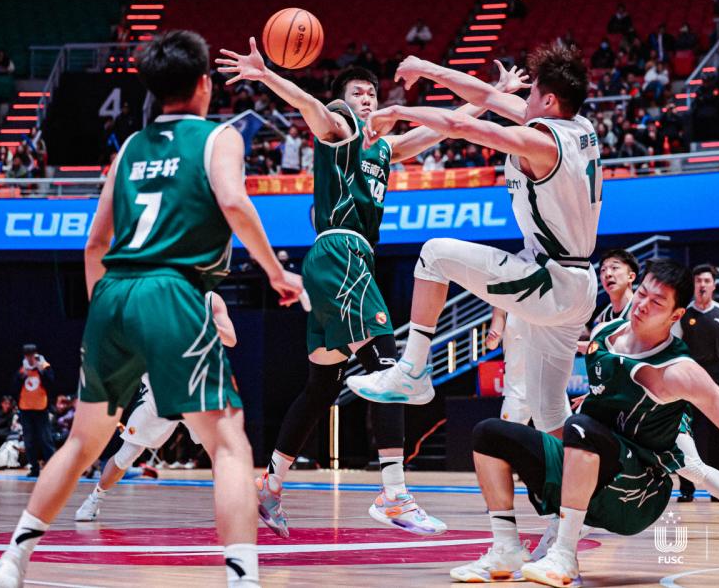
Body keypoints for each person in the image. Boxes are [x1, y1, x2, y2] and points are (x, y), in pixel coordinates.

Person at [0, 30, 303, 588]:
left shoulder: (129, 147)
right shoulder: (217, 138)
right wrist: (276, 273)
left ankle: (12, 561)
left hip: (113, 295)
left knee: (83, 440)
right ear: (205, 84)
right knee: (229, 442)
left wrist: (104, 311)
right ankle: (242, 578)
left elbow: (94, 243)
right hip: (171, 289)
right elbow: (233, 201)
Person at [216, 38, 529, 539]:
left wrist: (495, 93)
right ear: (344, 102)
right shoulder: (336, 130)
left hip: (339, 261)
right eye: (358, 92)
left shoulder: (386, 148)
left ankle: (270, 486)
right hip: (341, 253)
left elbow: (443, 127)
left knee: (320, 387)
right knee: (389, 368)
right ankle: (395, 494)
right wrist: (267, 75)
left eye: (372, 94)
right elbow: (309, 105)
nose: (367, 99)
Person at [448, 260, 719, 585]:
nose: (642, 305)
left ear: (675, 315)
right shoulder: (603, 335)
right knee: (490, 434)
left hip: (639, 491)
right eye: (642, 294)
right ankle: (507, 548)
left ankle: (565, 555)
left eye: (657, 302)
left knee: (585, 430)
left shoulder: (680, 372)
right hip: (594, 454)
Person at [347, 44, 600, 452]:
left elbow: (460, 126)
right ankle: (575, 509)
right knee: (551, 413)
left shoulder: (542, 142)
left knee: (434, 254)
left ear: (549, 100)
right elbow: (484, 97)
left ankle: (411, 370)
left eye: (531, 93)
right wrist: (425, 67)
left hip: (550, 279)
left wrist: (398, 113)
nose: (524, 100)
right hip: (579, 284)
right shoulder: (577, 125)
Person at [74, 296, 232, 522]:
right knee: (128, 454)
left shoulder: (210, 300)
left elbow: (231, 338)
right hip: (159, 393)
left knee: (219, 451)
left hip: (196, 392)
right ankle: (94, 499)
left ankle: (225, 506)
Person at [671, 264, 719, 502]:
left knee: (717, 435)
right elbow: (674, 349)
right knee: (686, 436)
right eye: (698, 280)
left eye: (706, 281)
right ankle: (686, 489)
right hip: (689, 379)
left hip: (716, 377)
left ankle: (718, 491)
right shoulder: (683, 315)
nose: (702, 285)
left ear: (714, 285)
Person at [14, 344, 55, 477]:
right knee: (29, 440)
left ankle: (52, 468)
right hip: (26, 409)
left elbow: (51, 383)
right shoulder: (23, 368)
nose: (29, 358)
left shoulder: (44, 366)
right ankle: (34, 468)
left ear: (35, 354)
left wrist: (40, 370)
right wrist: (22, 376)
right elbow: (13, 387)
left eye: (31, 355)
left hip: (41, 409)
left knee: (45, 439)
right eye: (27, 355)